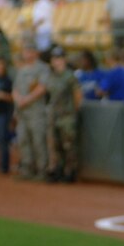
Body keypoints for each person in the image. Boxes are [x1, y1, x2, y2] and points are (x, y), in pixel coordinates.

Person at [12, 42, 50, 179]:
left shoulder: (43, 68)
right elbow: (15, 89)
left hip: (36, 111)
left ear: (35, 52)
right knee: (23, 140)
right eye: (25, 51)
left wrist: (26, 99)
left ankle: (42, 170)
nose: (26, 54)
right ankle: (27, 169)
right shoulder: (21, 70)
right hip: (22, 112)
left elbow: (42, 87)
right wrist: (18, 100)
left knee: (38, 140)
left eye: (29, 51)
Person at [46, 47, 81, 183]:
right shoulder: (51, 76)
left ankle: (70, 171)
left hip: (67, 116)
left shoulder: (69, 76)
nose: (57, 61)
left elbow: (78, 95)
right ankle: (58, 170)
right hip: (54, 115)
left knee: (69, 146)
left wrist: (73, 113)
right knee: (56, 145)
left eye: (60, 58)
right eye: (55, 59)